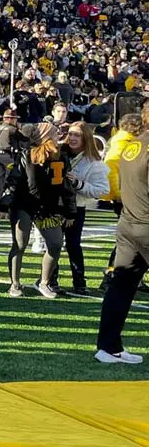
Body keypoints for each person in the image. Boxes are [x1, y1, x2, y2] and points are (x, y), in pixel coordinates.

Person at [95, 104, 149, 364]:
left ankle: (108, 347)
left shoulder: (130, 145)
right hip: (146, 223)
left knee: (121, 286)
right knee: (122, 286)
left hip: (128, 224)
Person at [0, 123, 75, 299]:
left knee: (55, 245)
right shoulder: (26, 156)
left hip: (49, 208)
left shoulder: (61, 157)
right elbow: (13, 182)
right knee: (20, 244)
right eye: (54, 133)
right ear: (45, 136)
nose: (58, 136)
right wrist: (3, 206)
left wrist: (70, 211)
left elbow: (66, 186)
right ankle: (15, 284)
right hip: (24, 205)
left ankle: (44, 282)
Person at [60, 123, 110, 294]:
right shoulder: (59, 152)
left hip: (77, 208)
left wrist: (78, 183)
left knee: (73, 245)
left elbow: (102, 190)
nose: (72, 138)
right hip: (56, 206)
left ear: (86, 138)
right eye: (71, 134)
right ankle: (49, 279)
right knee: (53, 244)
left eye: (77, 135)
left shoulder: (93, 162)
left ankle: (79, 282)